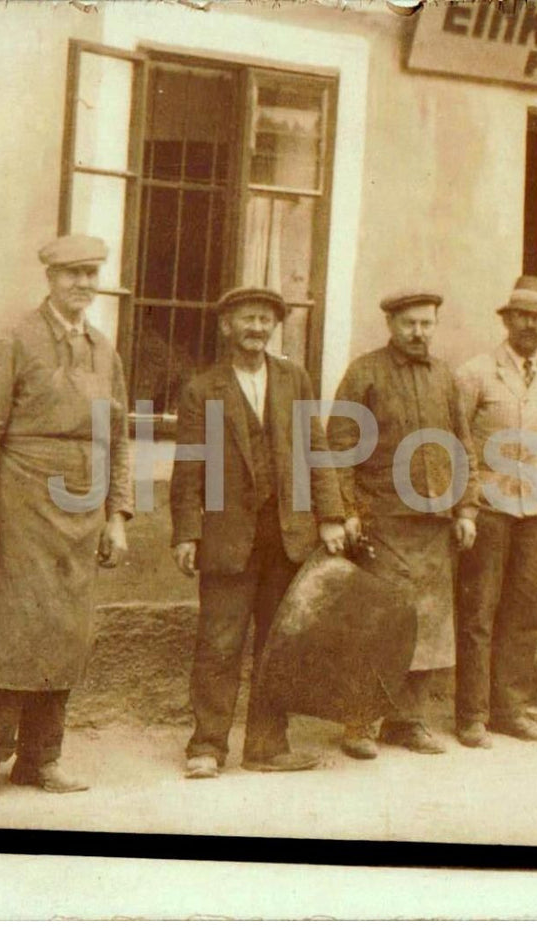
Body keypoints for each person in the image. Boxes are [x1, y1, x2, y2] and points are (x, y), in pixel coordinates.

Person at [0, 234, 132, 802]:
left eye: (91, 273)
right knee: (15, 628)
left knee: (67, 632)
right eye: (72, 274)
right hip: (23, 502)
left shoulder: (105, 351)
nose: (83, 283)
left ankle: (40, 758)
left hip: (83, 506)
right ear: (50, 279)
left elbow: (120, 440)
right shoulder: (15, 341)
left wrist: (118, 515)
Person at [169, 286, 347, 779]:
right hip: (227, 536)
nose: (257, 328)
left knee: (279, 644)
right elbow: (188, 470)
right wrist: (186, 533)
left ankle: (267, 745)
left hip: (288, 534)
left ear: (274, 328)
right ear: (227, 326)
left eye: (265, 320)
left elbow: (318, 448)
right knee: (219, 643)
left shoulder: (295, 379)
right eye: (247, 319)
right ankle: (206, 747)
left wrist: (329, 515)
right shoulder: (202, 389)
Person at [328, 289, 479, 757]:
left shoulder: (446, 378)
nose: (419, 333)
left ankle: (407, 720)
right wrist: (348, 510)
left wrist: (468, 509)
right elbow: (340, 447)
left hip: (434, 523)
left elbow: (465, 447)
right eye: (409, 323)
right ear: (391, 324)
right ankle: (359, 723)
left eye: (427, 324)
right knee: (381, 622)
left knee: (428, 623)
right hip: (383, 521)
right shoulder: (364, 373)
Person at [453, 276, 537, 747]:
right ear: (506, 320)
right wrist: (466, 505)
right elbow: (457, 444)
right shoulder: (476, 373)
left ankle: (510, 708)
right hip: (489, 508)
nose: (530, 326)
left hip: (536, 509)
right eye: (521, 316)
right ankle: (472, 714)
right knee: (480, 611)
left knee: (526, 612)